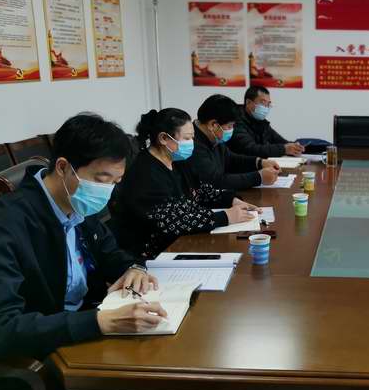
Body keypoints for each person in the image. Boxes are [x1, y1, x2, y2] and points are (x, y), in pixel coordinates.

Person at [0, 113, 182, 390]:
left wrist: (134, 269)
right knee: (158, 389)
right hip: (36, 356)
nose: (107, 191)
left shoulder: (76, 203)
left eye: (116, 181)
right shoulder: (5, 223)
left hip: (76, 328)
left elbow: (112, 254)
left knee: (171, 359)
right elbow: (0, 328)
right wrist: (99, 322)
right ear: (64, 167)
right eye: (102, 179)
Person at [111, 108, 258, 259]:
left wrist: (231, 199)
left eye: (192, 138)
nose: (191, 143)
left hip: (183, 241)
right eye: (187, 138)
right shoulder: (144, 173)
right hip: (155, 254)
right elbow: (172, 221)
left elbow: (200, 192)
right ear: (163, 138)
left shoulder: (178, 161)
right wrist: (225, 217)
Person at [187, 94, 280, 190]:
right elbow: (215, 181)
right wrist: (258, 177)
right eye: (229, 126)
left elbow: (231, 160)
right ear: (213, 125)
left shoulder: (213, 137)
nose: (232, 129)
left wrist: (259, 162)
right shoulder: (192, 145)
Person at [227, 85, 304, 158]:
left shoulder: (262, 122)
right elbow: (251, 149)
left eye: (268, 104)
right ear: (248, 102)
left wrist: (296, 147)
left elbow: (281, 141)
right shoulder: (235, 121)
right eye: (263, 103)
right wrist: (284, 149)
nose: (266, 108)